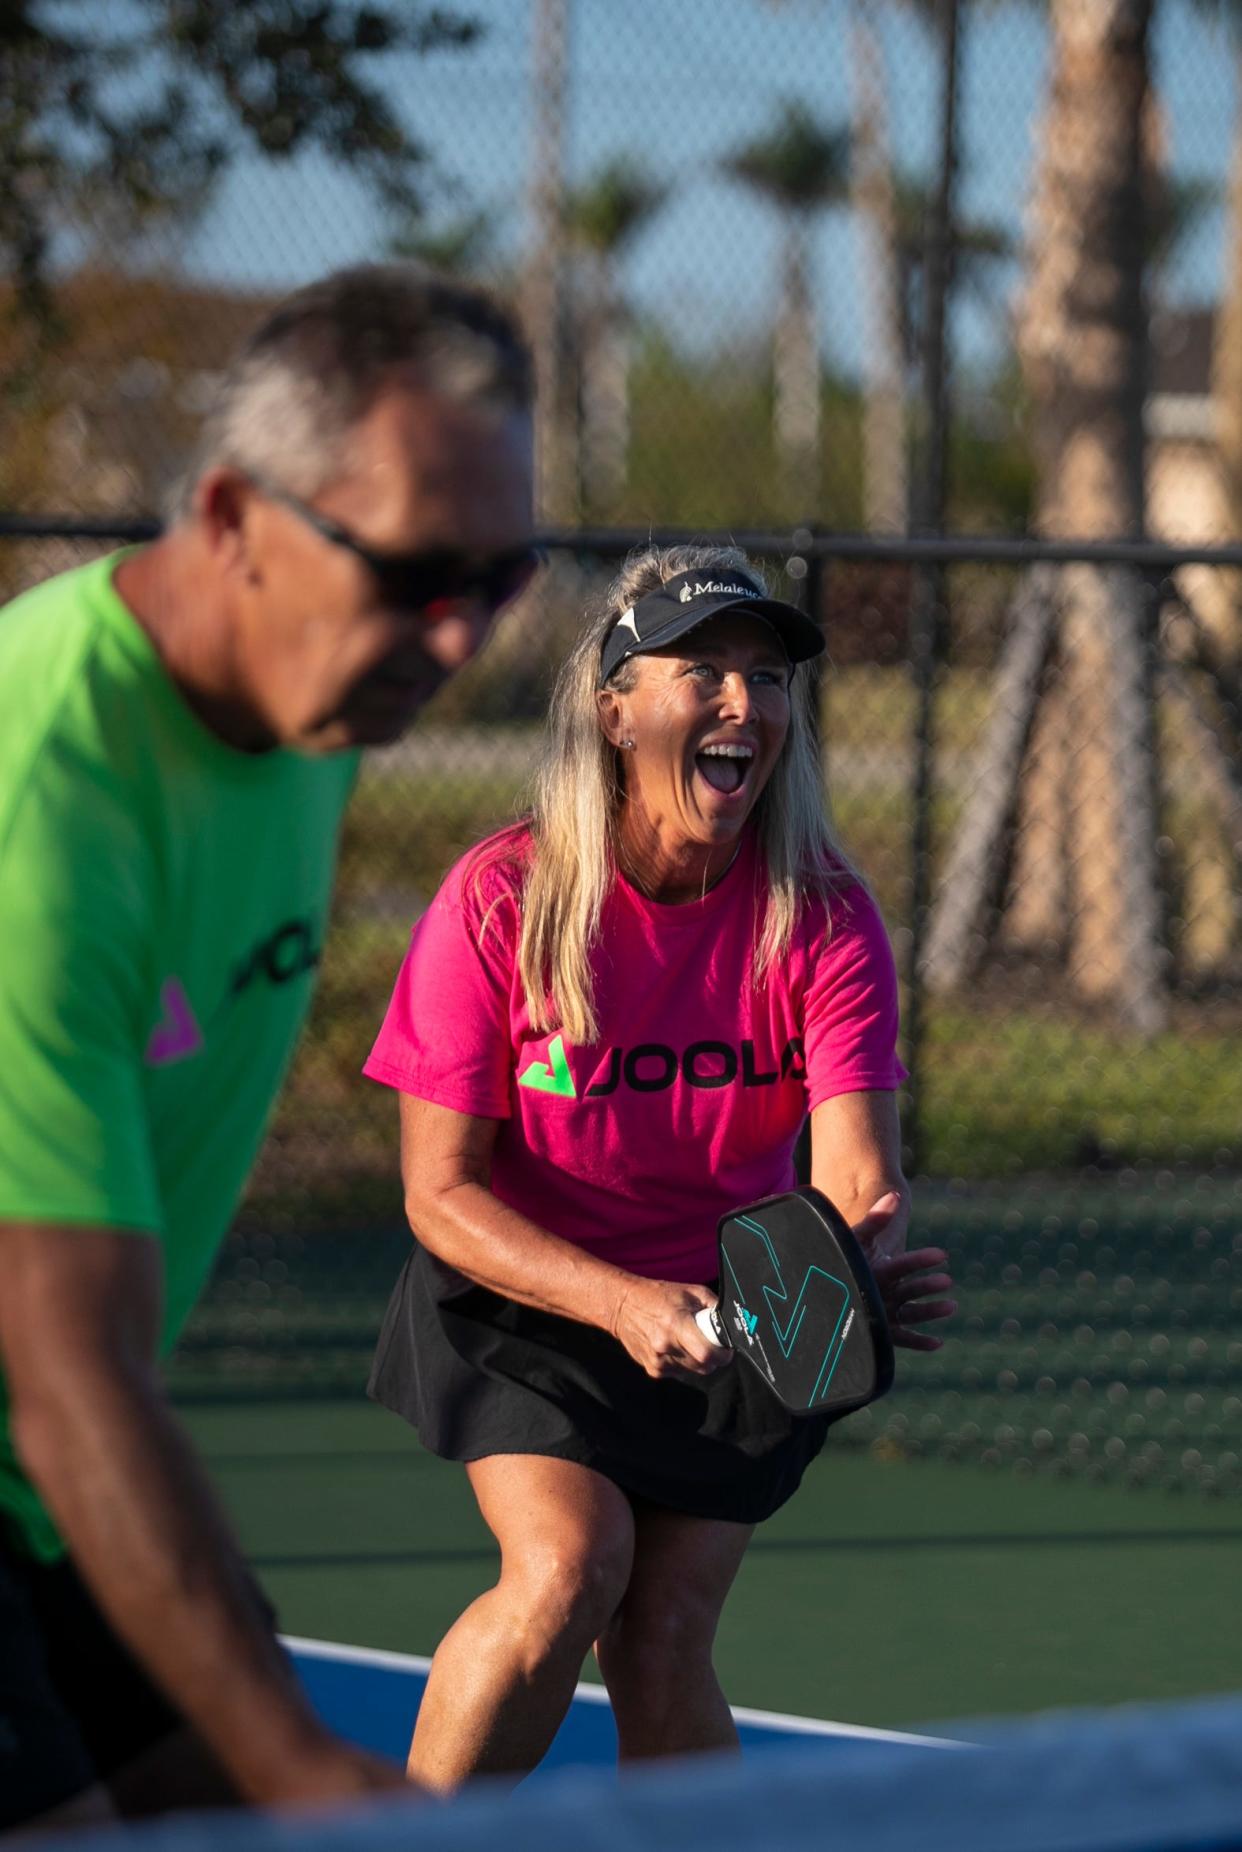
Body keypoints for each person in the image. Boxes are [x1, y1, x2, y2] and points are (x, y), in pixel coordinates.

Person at [0, 263, 535, 1836]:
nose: (456, 636)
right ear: (233, 517)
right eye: (419, 572)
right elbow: (66, 1366)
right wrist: (305, 1777)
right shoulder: (50, 803)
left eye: (505, 577)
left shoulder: (314, 711)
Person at [363, 544, 956, 1791]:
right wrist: (620, 1303)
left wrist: (847, 1275)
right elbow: (438, 1194)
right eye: (706, 671)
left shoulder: (825, 915)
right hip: (526, 1298)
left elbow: (857, 1177)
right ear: (616, 706)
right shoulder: (500, 898)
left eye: (770, 676)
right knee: (571, 1570)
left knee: (668, 1635)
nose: (746, 703)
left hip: (737, 1314)